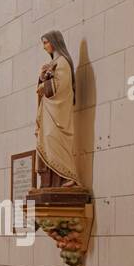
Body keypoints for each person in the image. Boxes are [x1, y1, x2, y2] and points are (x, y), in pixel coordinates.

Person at [35, 30, 78, 188]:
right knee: (47, 139)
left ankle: (69, 176)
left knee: (54, 138)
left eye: (46, 42)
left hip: (58, 112)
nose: (44, 47)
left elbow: (61, 87)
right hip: (49, 110)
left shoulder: (63, 62)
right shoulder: (55, 63)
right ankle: (53, 182)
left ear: (55, 42)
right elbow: (48, 83)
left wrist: (44, 85)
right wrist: (42, 77)